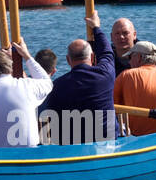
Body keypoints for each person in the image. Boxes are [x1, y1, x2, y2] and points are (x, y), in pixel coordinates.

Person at [39, 11, 115, 145]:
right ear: (92, 58)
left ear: (68, 60)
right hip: (106, 143)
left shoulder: (57, 86)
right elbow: (106, 52)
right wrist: (97, 28)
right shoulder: (105, 75)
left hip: (71, 147)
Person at [0, 40, 52, 148]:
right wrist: (26, 56)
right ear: (10, 67)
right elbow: (47, 82)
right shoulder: (26, 87)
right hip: (27, 157)